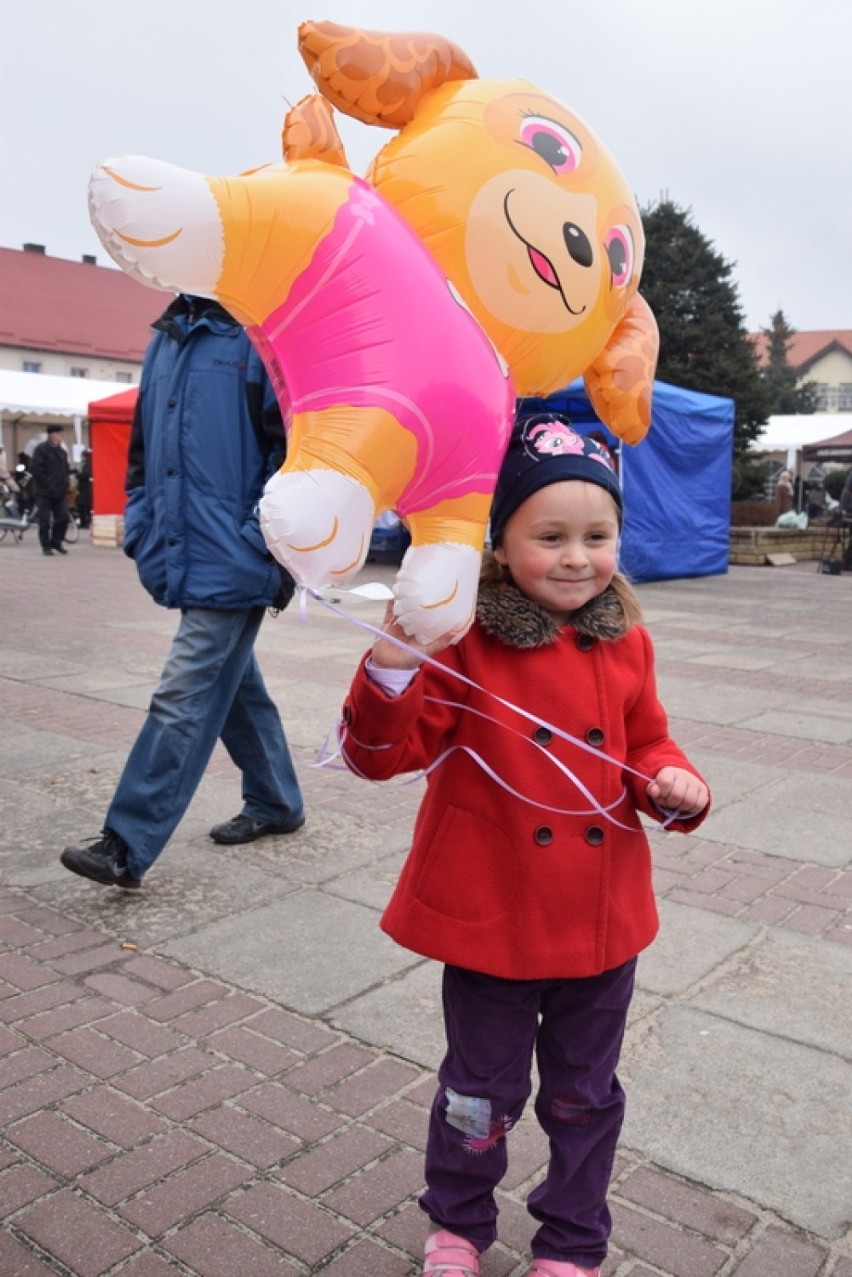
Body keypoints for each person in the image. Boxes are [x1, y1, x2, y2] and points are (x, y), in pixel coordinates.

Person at [339, 416, 710, 1277]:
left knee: (585, 1098)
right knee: (479, 1094)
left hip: (598, 922)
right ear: (501, 543)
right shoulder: (460, 634)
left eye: (597, 535)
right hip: (492, 915)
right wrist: (395, 663)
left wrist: (674, 781)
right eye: (551, 536)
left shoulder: (629, 639)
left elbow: (648, 740)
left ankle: (573, 1241)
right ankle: (458, 1224)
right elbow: (379, 755)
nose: (578, 556)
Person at [60, 294, 305, 890]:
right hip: (185, 550)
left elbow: (295, 451)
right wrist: (141, 526)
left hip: (238, 554)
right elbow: (143, 452)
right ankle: (277, 801)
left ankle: (127, 841)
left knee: (184, 689)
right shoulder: (165, 338)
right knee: (235, 685)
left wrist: (260, 539)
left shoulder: (261, 336)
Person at [29, 424, 70, 555]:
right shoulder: (41, 450)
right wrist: (47, 484)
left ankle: (56, 541)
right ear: (52, 435)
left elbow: (65, 470)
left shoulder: (62, 452)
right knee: (44, 520)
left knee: (63, 517)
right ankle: (46, 546)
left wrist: (66, 483)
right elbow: (36, 469)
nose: (62, 436)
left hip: (60, 491)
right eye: (60, 434)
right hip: (44, 492)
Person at [75, 447, 93, 528]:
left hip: (85, 488)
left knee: (84, 506)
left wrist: (78, 475)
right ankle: (83, 522)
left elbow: (85, 474)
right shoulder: (83, 464)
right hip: (82, 488)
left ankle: (85, 522)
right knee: (81, 505)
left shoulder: (88, 464)